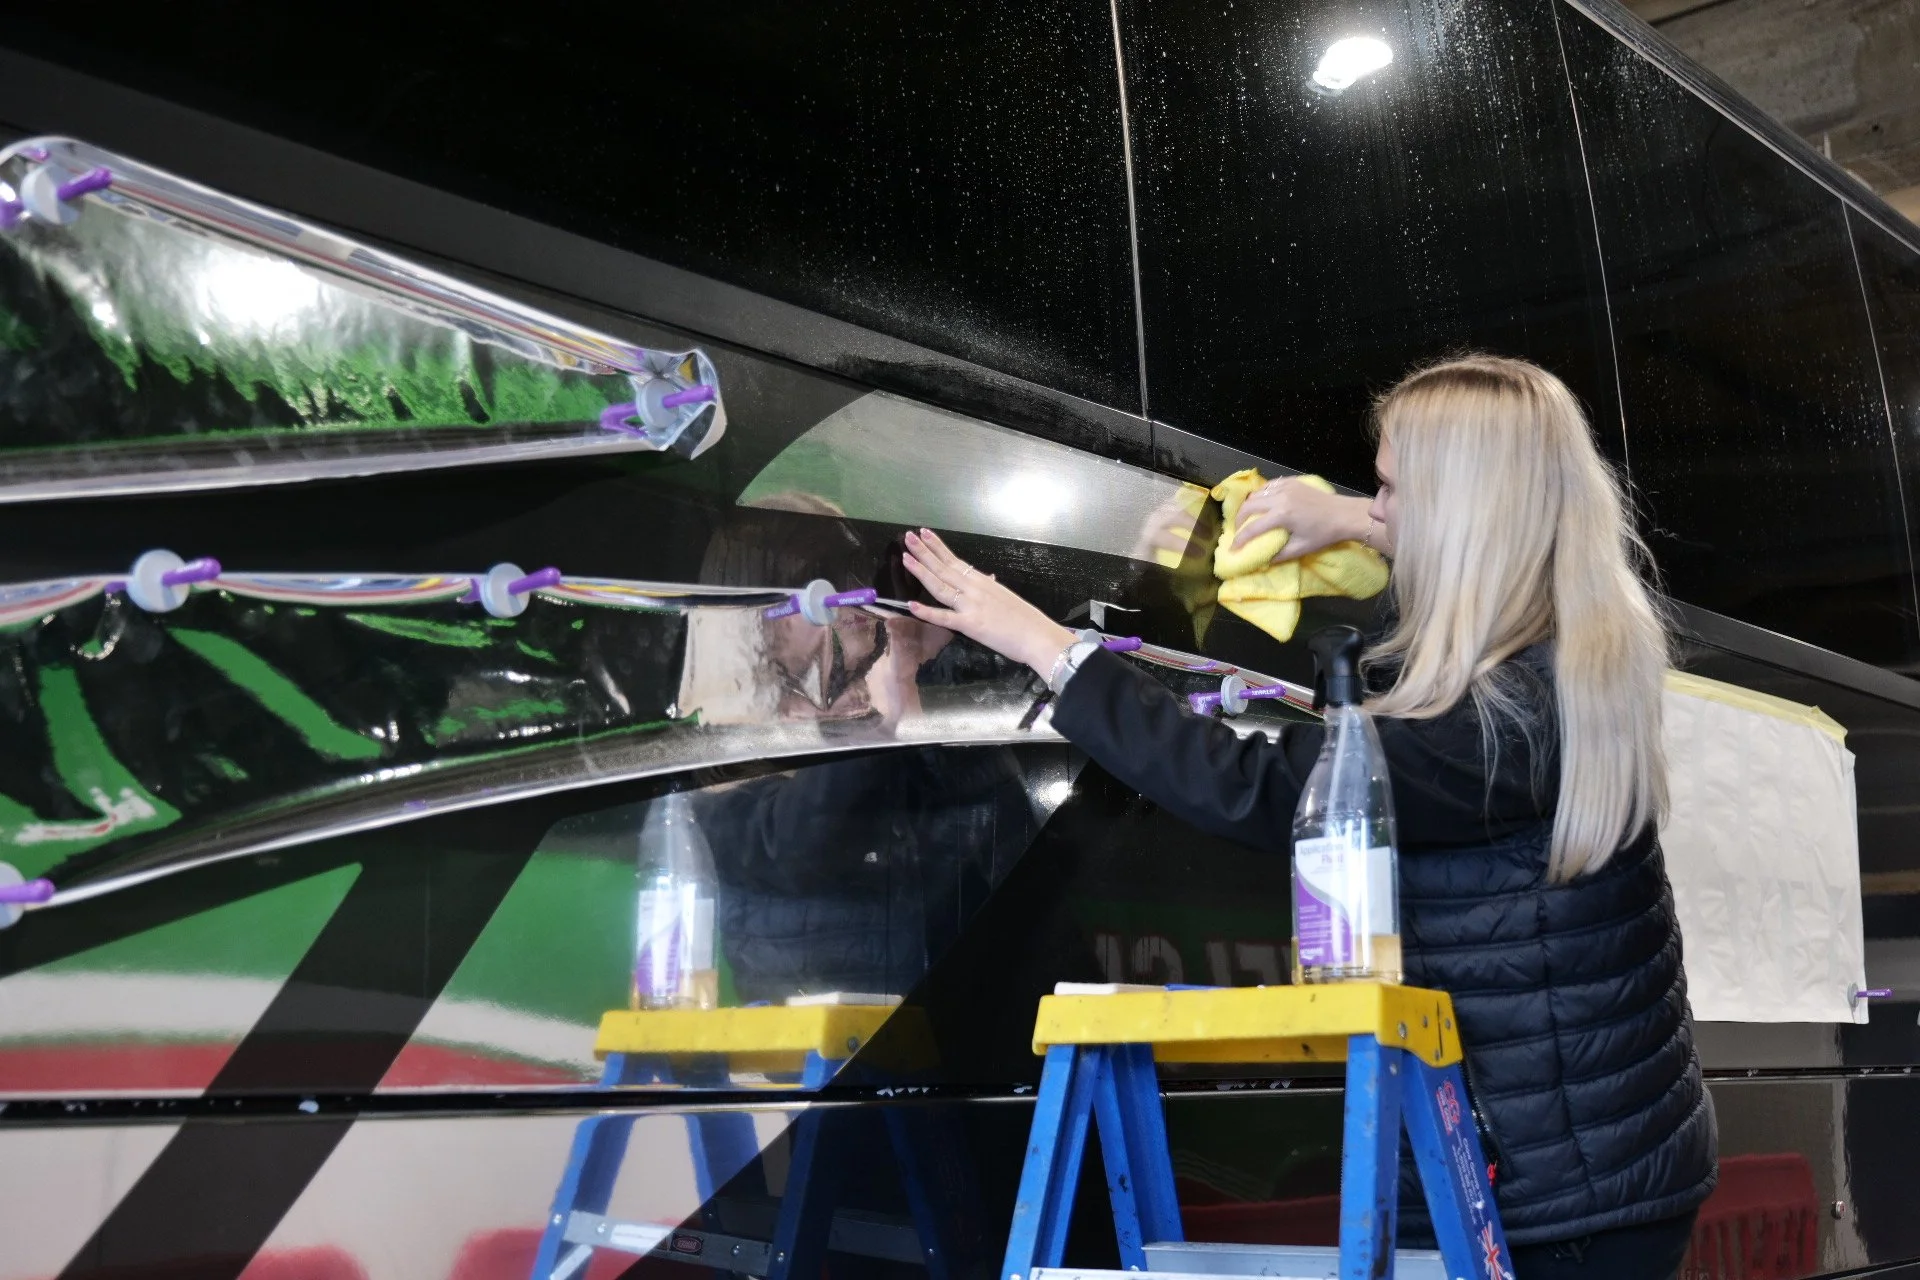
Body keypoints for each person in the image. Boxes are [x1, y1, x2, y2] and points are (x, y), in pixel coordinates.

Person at [900, 355, 1717, 1280]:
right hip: (1585, 1167)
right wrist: (1340, 518)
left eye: (1392, 490)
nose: (1380, 511)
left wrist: (1051, 650)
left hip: (1546, 1198)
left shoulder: (1500, 725)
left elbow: (1261, 785)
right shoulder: (1559, 662)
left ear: (1462, 516)